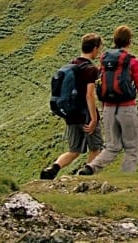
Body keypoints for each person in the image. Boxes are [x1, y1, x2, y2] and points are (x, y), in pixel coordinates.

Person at [79, 25, 138, 175]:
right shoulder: (132, 61)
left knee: (112, 146)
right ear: (130, 41)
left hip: (108, 108)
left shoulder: (104, 58)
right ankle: (126, 180)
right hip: (127, 108)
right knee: (131, 148)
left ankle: (90, 167)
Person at [40, 33, 104, 179]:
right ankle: (86, 176)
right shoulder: (90, 69)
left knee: (74, 150)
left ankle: (53, 168)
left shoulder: (71, 65)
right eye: (99, 48)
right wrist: (93, 118)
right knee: (96, 147)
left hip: (71, 115)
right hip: (86, 115)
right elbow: (89, 95)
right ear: (95, 48)